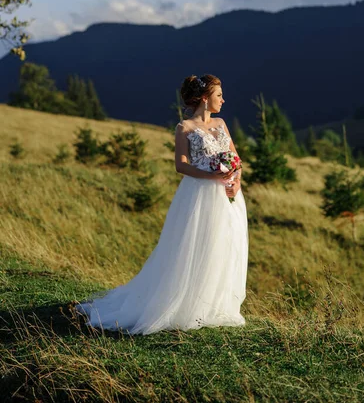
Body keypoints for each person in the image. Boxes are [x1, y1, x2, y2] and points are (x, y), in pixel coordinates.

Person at [74, 73, 248, 335]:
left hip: (228, 193)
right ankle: (187, 304)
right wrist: (212, 175)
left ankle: (215, 304)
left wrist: (237, 181)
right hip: (199, 195)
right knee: (195, 245)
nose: (223, 100)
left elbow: (236, 158)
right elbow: (181, 165)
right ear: (204, 97)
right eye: (219, 95)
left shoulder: (222, 124)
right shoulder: (185, 128)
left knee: (224, 243)